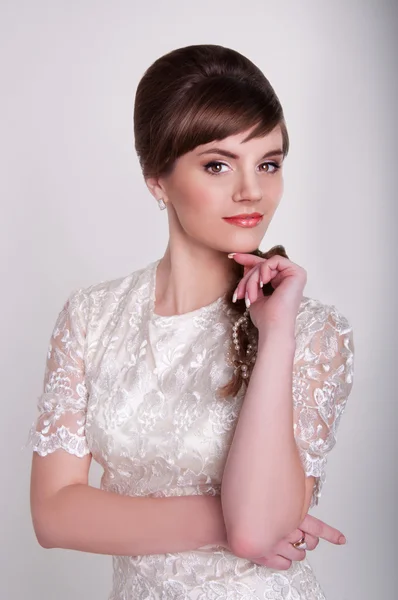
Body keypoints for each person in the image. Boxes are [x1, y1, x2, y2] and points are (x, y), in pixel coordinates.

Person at [26, 44, 355, 599]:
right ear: (158, 179)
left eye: (269, 163)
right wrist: (227, 517)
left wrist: (275, 336)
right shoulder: (90, 317)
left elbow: (258, 532)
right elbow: (54, 515)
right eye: (218, 164)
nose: (252, 190)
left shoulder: (314, 334)